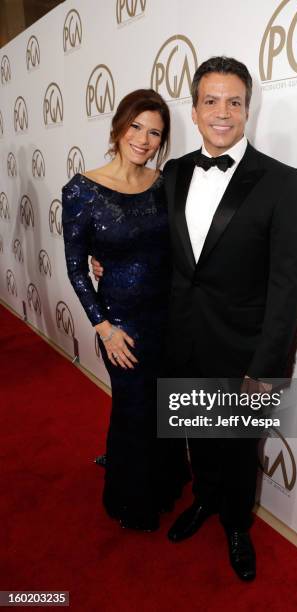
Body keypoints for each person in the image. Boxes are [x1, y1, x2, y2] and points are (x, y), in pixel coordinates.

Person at [93, 57, 297, 580]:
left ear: (247, 109)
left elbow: (287, 288)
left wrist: (265, 368)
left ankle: (237, 524)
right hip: (179, 336)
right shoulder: (173, 173)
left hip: (242, 349)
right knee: (196, 436)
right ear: (194, 109)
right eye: (211, 101)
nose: (222, 111)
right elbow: (148, 241)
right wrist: (106, 258)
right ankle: (204, 501)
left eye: (234, 101)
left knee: (237, 449)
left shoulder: (283, 183)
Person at [62, 89, 188, 533]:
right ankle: (132, 498)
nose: (144, 138)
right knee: (134, 410)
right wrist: (104, 328)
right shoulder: (82, 189)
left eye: (155, 132)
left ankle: (168, 480)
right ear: (118, 126)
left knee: (165, 406)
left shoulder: (164, 183)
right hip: (122, 324)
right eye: (136, 126)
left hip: (168, 317)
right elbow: (76, 266)